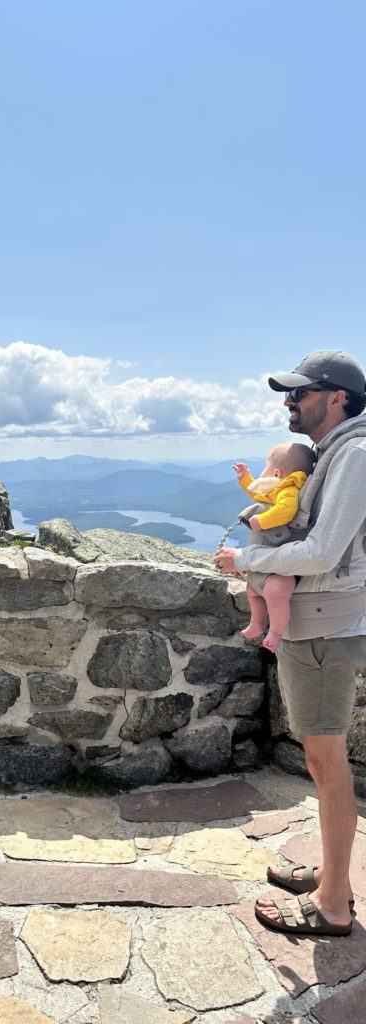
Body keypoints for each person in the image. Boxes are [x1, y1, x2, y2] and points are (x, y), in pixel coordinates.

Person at [215, 349, 366, 937]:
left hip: (325, 626)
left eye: (301, 393)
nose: (288, 402)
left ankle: (332, 904)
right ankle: (334, 875)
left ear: (339, 398)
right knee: (318, 757)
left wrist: (247, 559)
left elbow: (325, 552)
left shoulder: (353, 454)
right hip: (319, 621)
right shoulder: (336, 453)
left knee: (327, 764)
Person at [233, 442, 316, 652]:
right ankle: (257, 623)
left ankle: (276, 632)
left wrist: (261, 521)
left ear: (277, 473)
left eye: (266, 466)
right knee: (253, 589)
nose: (263, 472)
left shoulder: (289, 491)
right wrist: (245, 480)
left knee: (276, 592)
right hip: (271, 559)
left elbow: (285, 511)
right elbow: (260, 495)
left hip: (283, 563)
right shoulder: (280, 488)